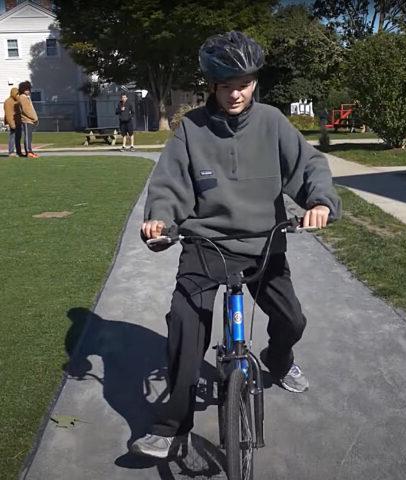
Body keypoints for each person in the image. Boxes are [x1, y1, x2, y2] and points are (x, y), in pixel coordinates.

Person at [132, 31, 341, 459]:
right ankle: (173, 426)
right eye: (226, 86)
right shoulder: (190, 128)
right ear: (212, 85)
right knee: (184, 332)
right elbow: (170, 184)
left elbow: (308, 167)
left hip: (264, 245)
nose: (236, 94)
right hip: (205, 246)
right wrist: (160, 220)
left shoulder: (273, 122)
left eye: (243, 84)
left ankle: (279, 361)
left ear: (254, 82)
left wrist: (319, 201)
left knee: (293, 321)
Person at [17, 81, 39, 158]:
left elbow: (31, 109)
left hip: (30, 120)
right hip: (27, 120)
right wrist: (34, 118)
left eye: (28, 89)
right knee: (27, 137)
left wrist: (35, 118)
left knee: (29, 137)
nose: (28, 91)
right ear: (22, 89)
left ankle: (30, 151)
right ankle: (28, 152)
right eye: (26, 89)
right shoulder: (22, 97)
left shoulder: (26, 97)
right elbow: (26, 110)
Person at [3, 87, 22, 157]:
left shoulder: (17, 101)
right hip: (13, 123)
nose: (18, 95)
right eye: (17, 94)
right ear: (13, 93)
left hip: (18, 122)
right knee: (12, 138)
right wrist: (12, 124)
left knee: (18, 138)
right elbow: (9, 114)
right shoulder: (8, 102)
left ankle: (19, 152)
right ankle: (11, 152)